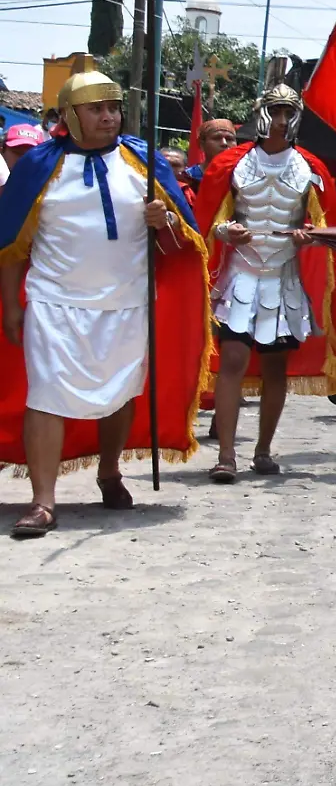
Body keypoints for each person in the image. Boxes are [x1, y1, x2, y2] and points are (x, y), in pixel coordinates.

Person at [0, 70, 209, 536]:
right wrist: (11, 306)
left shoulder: (144, 161)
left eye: (114, 107)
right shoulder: (39, 166)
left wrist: (164, 220)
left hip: (128, 301)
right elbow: (11, 241)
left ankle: (109, 473)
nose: (109, 116)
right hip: (54, 302)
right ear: (70, 116)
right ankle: (43, 501)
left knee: (120, 393)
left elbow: (183, 244)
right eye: (96, 109)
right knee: (45, 397)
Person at [195, 84, 336, 482]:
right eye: (275, 111)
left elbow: (329, 227)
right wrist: (223, 232)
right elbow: (205, 223)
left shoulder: (312, 168)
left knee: (274, 368)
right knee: (231, 360)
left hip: (283, 278)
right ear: (261, 114)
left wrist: (310, 236)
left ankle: (263, 449)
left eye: (288, 112)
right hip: (239, 276)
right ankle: (226, 454)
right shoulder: (230, 164)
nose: (281, 120)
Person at [184, 118, 239, 189]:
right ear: (201, 144)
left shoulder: (243, 177)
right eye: (217, 138)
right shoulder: (187, 178)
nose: (224, 143)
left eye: (229, 139)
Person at [0, 123, 48, 200]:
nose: (24, 159)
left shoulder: (42, 197)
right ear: (2, 151)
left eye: (31, 155)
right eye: (18, 153)